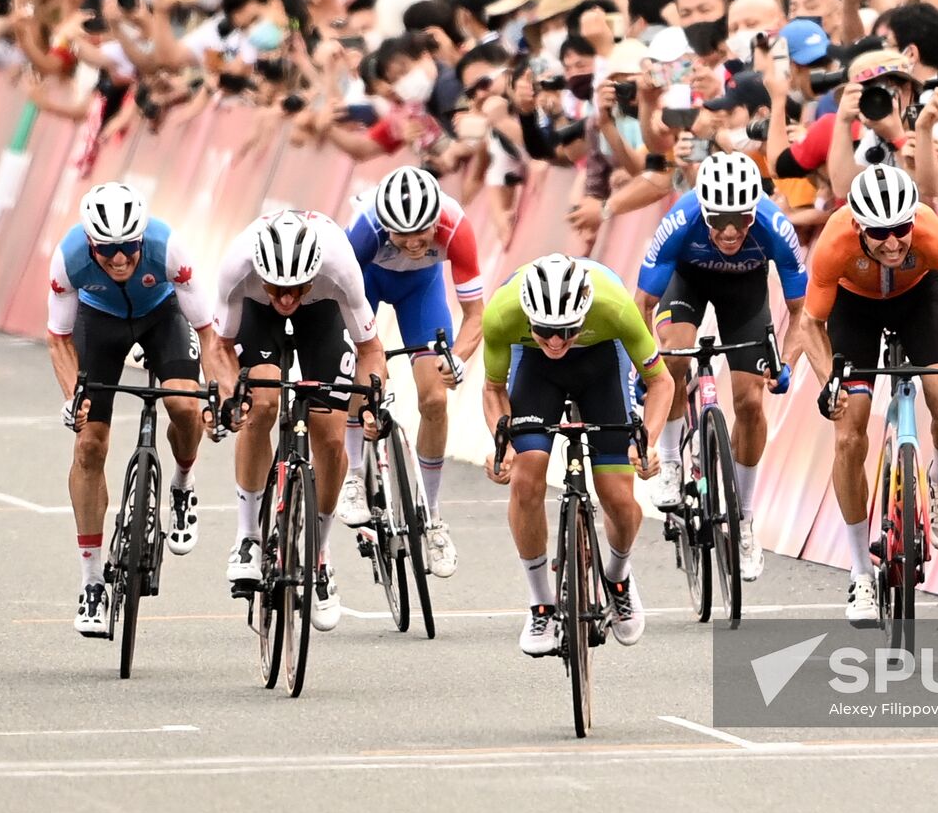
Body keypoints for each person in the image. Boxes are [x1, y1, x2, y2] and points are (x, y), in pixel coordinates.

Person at [801, 166, 938, 622]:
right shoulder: (835, 244)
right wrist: (827, 383)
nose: (893, 242)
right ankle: (858, 574)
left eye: (900, 229)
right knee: (849, 436)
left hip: (918, 301)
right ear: (858, 226)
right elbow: (811, 324)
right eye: (879, 233)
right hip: (854, 310)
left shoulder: (931, 236)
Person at [47, 183, 218, 636]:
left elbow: (208, 329)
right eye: (108, 250)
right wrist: (72, 398)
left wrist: (217, 391)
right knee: (89, 446)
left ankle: (182, 485)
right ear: (91, 244)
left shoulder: (168, 248)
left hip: (162, 316)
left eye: (128, 248)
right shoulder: (69, 259)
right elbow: (59, 338)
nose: (119, 259)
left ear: (142, 239)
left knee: (184, 405)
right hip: (98, 322)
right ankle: (92, 582)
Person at [482, 254, 673, 656]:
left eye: (566, 331)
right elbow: (493, 390)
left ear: (584, 312)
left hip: (601, 362)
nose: (555, 342)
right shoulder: (502, 312)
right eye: (545, 330)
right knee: (525, 479)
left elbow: (661, 383)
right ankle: (540, 604)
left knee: (619, 498)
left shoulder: (614, 306)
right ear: (528, 317)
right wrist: (504, 446)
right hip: (535, 371)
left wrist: (648, 443)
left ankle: (618, 579)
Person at [210, 210, 389, 634]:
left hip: (322, 312)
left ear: (313, 273)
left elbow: (370, 350)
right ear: (261, 272)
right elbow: (219, 347)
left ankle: (319, 554)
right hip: (256, 313)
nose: (287, 298)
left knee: (330, 436)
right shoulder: (238, 266)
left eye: (296, 288)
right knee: (264, 402)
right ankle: (248, 537)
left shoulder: (339, 267)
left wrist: (368, 403)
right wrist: (230, 393)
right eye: (279, 288)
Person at [635, 153, 807, 582]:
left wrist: (785, 363)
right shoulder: (680, 220)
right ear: (703, 210)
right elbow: (643, 305)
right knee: (673, 357)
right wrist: (647, 366)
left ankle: (745, 519)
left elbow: (803, 312)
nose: (730, 232)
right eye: (719, 221)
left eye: (740, 221)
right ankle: (672, 463)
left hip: (745, 294)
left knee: (750, 401)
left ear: (754, 212)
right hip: (686, 281)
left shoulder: (775, 227)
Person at [337, 166, 485, 580]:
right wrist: (371, 354)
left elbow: (476, 315)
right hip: (366, 285)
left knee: (435, 398)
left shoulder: (455, 226)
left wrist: (457, 357)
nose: (416, 242)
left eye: (423, 232)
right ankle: (353, 474)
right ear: (386, 226)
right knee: (360, 374)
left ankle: (433, 517)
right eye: (403, 236)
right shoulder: (364, 230)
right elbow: (340, 305)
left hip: (421, 291)